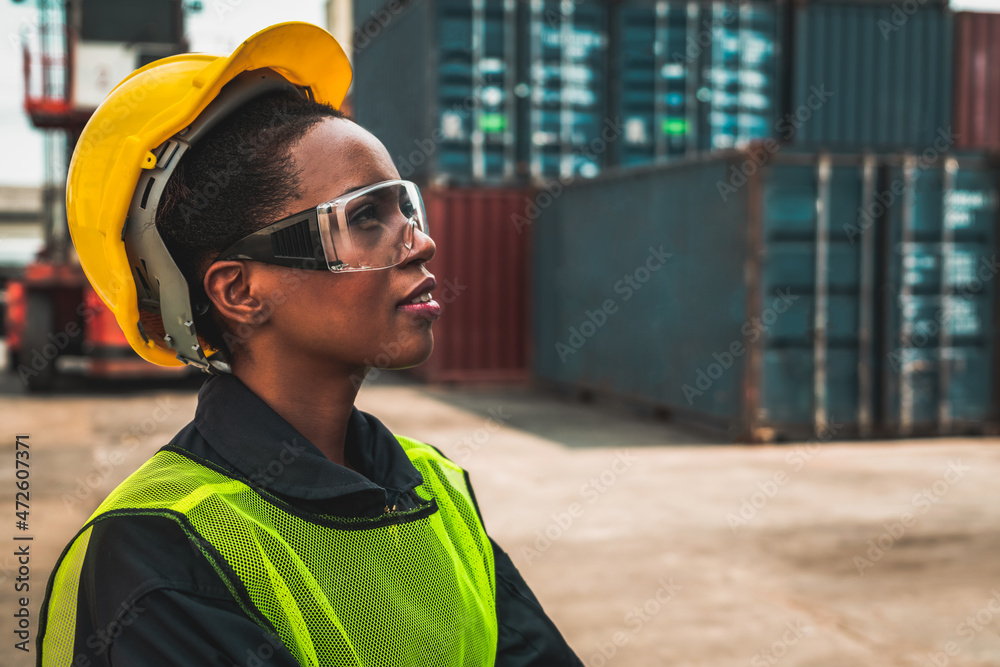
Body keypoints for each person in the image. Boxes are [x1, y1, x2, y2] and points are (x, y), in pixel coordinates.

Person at [38, 22, 583, 666]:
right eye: (364, 218)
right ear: (240, 291)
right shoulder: (157, 549)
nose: (421, 242)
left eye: (406, 210)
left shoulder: (436, 487)